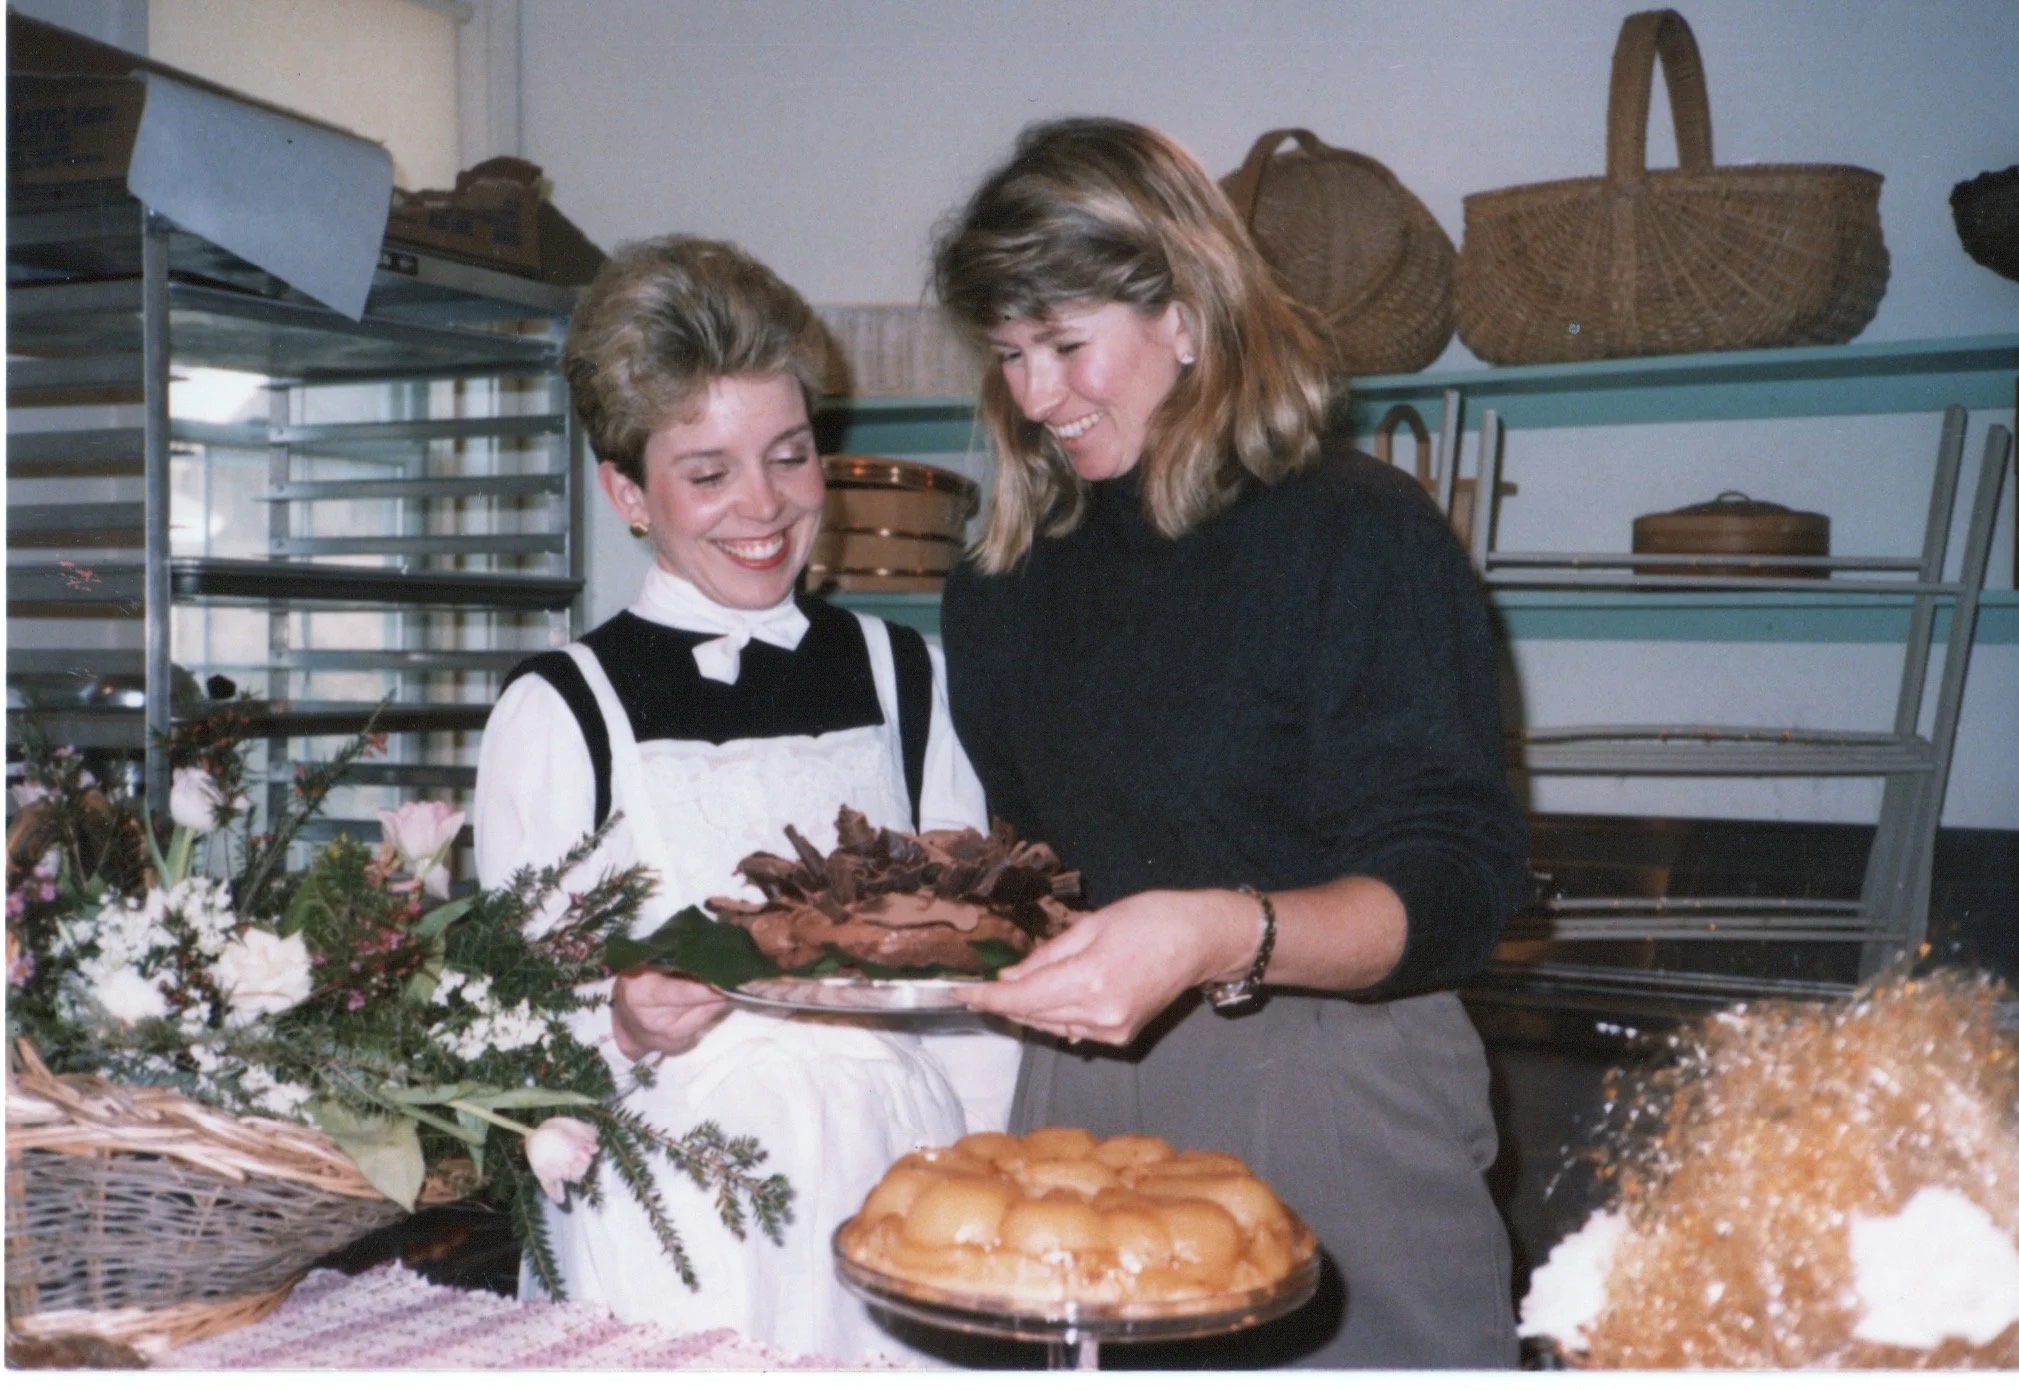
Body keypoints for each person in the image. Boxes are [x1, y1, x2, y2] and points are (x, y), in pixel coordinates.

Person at [933, 118, 1528, 1369]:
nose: (1037, 398)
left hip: (1333, 1083)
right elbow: (1032, 855)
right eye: (1008, 354)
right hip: (1081, 1091)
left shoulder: (1356, 535)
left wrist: (1218, 929)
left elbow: (1455, 889)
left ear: (1189, 315)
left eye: (1065, 344)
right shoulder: (1003, 577)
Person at [473, 235, 1017, 1362]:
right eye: (708, 473)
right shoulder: (561, 709)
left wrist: (984, 1178)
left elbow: (972, 976)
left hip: (901, 1201)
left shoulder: (906, 677)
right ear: (627, 489)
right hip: (674, 1235)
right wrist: (618, 1021)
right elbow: (506, 1041)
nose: (762, 507)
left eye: (789, 454)